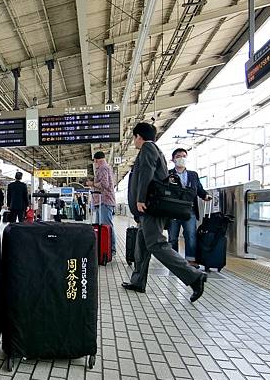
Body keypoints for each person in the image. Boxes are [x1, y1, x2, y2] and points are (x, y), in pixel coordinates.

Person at [121, 123, 206, 302]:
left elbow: (146, 173)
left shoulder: (148, 148)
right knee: (142, 246)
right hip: (148, 209)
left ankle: (194, 276)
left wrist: (141, 199)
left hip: (151, 207)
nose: (134, 141)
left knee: (157, 244)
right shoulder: (153, 149)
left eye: (134, 138)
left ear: (138, 136)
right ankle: (138, 281)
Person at [167, 148, 212, 266]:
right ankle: (173, 260)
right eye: (178, 156)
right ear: (173, 159)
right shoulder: (168, 174)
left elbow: (199, 189)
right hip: (173, 210)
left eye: (183, 156)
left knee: (190, 235)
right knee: (172, 237)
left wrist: (205, 195)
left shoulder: (193, 175)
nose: (181, 158)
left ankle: (190, 260)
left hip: (189, 210)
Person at [86, 151, 116, 254]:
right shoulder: (106, 167)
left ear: (96, 160)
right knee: (101, 227)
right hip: (102, 201)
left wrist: (92, 183)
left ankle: (111, 249)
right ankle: (105, 247)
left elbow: (105, 184)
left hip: (104, 200)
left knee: (106, 226)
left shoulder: (103, 168)